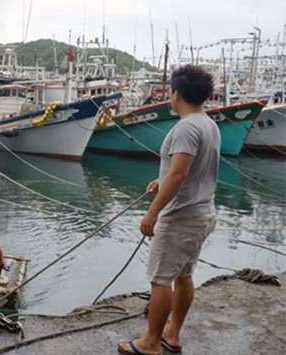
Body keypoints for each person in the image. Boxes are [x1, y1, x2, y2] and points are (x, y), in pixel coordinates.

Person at [118, 65, 220, 355]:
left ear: (176, 93)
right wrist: (161, 181)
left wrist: (152, 212)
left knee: (160, 278)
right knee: (184, 274)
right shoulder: (208, 123)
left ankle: (151, 343)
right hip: (203, 212)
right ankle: (172, 334)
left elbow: (179, 175)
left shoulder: (186, 127)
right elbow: (186, 170)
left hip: (181, 218)